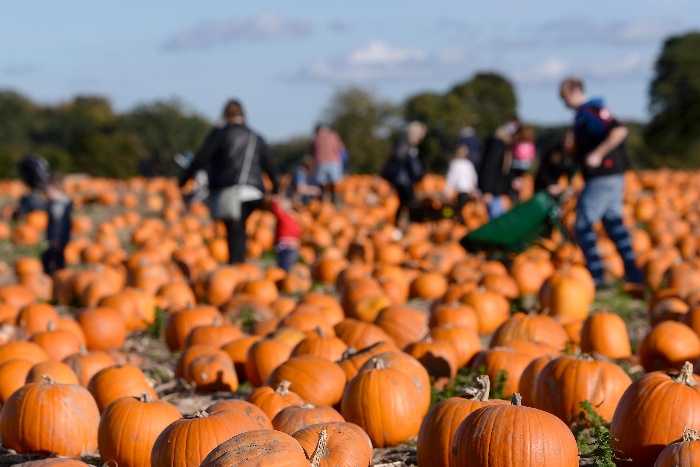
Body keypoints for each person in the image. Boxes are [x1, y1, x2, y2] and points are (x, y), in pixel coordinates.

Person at [559, 76, 644, 290]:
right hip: (608, 176)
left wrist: (597, 153)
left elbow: (619, 130)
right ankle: (634, 273)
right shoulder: (583, 115)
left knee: (582, 225)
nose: (563, 103)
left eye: (564, 97)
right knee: (613, 224)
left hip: (603, 176)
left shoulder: (591, 111)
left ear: (573, 92)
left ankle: (596, 276)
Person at [179, 99, 279, 265]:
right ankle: (240, 264)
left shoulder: (220, 134)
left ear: (225, 115)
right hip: (254, 192)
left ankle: (236, 265)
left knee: (234, 229)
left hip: (229, 190)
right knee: (240, 227)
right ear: (243, 115)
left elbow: (201, 158)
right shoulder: (256, 137)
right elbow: (271, 166)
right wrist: (275, 189)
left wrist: (184, 180)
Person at [381, 121, 427, 227]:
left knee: (404, 204)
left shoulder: (409, 145)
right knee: (410, 204)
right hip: (402, 180)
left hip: (404, 180)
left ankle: (400, 226)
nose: (422, 138)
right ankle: (409, 226)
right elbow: (401, 159)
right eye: (421, 134)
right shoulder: (405, 144)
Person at [478, 120, 518, 219]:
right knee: (497, 221)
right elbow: (489, 169)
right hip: (492, 193)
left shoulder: (503, 148)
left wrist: (512, 179)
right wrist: (487, 190)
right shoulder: (497, 147)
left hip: (498, 192)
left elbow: (504, 170)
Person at [41, 173, 73, 275]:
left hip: (58, 238)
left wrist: (55, 239)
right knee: (54, 256)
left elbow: (58, 224)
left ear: (56, 190)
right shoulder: (62, 204)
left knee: (51, 257)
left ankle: (57, 275)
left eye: (48, 191)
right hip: (62, 237)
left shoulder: (58, 207)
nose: (46, 194)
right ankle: (58, 274)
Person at [310, 123, 345, 204]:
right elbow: (341, 149)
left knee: (320, 184)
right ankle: (335, 202)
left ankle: (321, 203)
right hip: (334, 162)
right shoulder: (333, 136)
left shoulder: (314, 138)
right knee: (335, 184)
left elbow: (311, 153)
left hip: (320, 163)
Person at [443, 143, 479, 220]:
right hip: (460, 192)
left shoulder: (464, 164)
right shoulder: (458, 164)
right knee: (463, 211)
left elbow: (451, 179)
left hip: (464, 192)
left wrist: (447, 192)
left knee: (462, 211)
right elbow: (451, 179)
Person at [270, 195, 301, 272]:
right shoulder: (293, 218)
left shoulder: (283, 216)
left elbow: (276, 211)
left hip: (284, 246)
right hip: (293, 246)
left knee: (282, 264)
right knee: (288, 264)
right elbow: (297, 232)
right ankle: (286, 276)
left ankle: (283, 276)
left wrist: (275, 201)